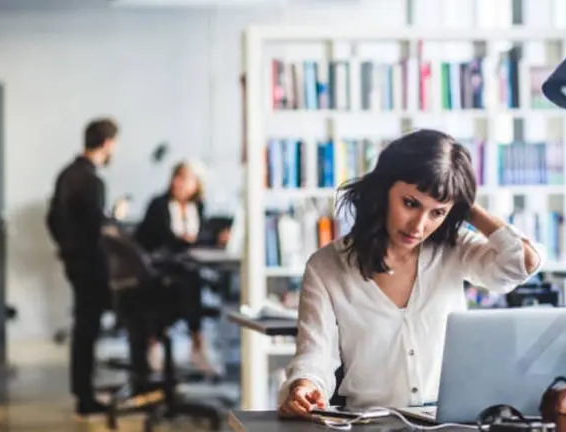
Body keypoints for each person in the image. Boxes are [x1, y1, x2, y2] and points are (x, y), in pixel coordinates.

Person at [277, 129, 544, 417]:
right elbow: (315, 355)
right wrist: (303, 387)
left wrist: (465, 204)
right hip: (371, 423)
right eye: (410, 203)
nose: (419, 226)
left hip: (450, 421)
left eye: (437, 213)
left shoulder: (453, 247)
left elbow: (521, 264)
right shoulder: (326, 267)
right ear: (383, 191)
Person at [46, 117, 118, 417]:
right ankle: (86, 398)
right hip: (90, 265)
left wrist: (66, 249)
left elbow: (52, 219)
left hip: (75, 262)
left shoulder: (67, 174)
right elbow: (96, 227)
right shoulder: (92, 180)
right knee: (88, 328)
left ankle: (83, 391)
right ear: (107, 143)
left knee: (83, 328)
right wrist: (113, 218)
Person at [134, 161, 218, 375]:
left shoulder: (198, 206)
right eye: (176, 176)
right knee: (189, 284)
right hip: (159, 271)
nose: (178, 183)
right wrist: (182, 241)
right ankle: (189, 342)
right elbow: (149, 240)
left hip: (187, 270)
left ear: (196, 184)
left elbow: (203, 236)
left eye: (185, 178)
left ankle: (195, 343)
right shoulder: (159, 205)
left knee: (192, 280)